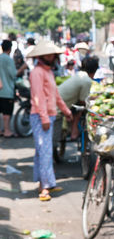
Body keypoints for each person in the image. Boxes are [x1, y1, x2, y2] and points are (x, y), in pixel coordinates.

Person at [27, 40, 73, 201]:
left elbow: (56, 95)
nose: (51, 56)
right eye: (47, 54)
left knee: (43, 152)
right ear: (40, 56)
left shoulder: (48, 72)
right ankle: (44, 187)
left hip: (49, 115)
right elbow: (38, 97)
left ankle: (47, 183)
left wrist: (66, 111)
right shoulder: (37, 72)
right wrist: (44, 117)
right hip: (40, 117)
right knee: (45, 152)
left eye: (52, 54)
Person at [54, 55, 99, 144]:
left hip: (57, 101)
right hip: (57, 108)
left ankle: (73, 131)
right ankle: (74, 132)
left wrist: (93, 97)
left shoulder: (79, 75)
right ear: (95, 70)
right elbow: (83, 101)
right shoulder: (87, 80)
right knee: (80, 110)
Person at [0, 40, 18, 137]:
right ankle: (7, 131)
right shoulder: (8, 59)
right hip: (7, 90)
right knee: (7, 112)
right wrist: (23, 67)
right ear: (10, 49)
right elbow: (13, 74)